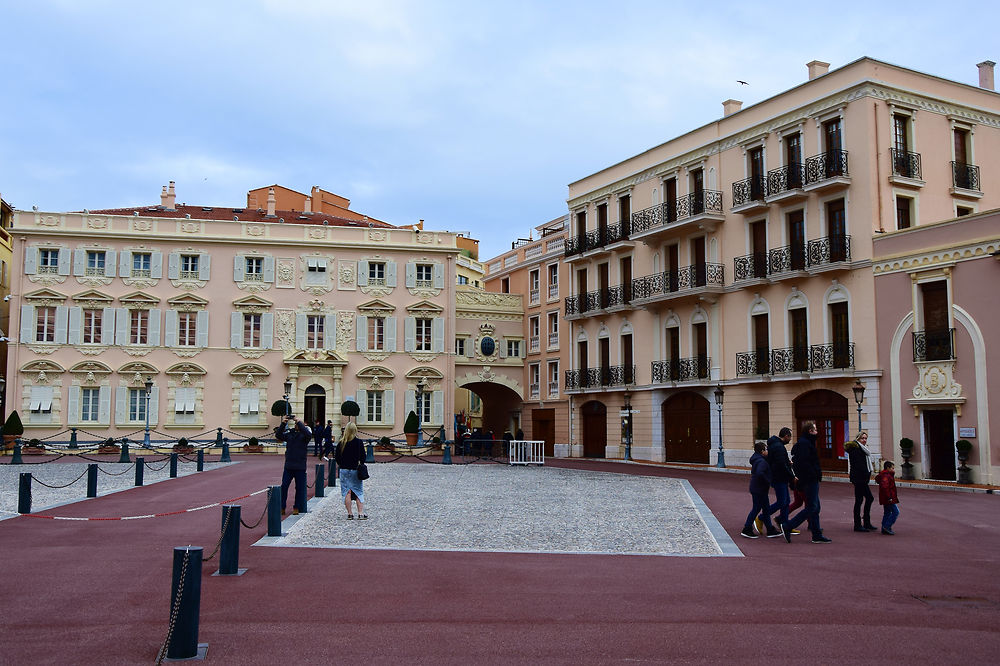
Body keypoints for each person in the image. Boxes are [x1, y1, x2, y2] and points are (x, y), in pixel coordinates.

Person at [781, 421, 831, 543]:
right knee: (812, 507)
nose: (817, 432)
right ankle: (788, 526)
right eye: (815, 430)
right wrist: (813, 474)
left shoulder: (806, 443)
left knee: (814, 507)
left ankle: (816, 533)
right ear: (810, 431)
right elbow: (804, 463)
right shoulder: (805, 444)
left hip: (808, 479)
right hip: (809, 480)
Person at [741, 441, 780, 538]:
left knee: (765, 509)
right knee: (757, 508)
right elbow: (760, 473)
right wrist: (768, 481)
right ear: (762, 451)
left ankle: (769, 528)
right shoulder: (762, 461)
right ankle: (747, 528)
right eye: (766, 449)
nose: (767, 451)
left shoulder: (757, 459)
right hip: (759, 489)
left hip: (757, 488)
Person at [275, 414, 312, 516]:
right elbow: (278, 435)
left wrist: (299, 421)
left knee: (299, 488)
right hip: (289, 466)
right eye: (296, 424)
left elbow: (308, 434)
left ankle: (296, 507)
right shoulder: (290, 435)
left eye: (297, 424)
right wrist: (283, 423)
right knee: (284, 486)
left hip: (300, 466)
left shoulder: (304, 437)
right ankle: (282, 506)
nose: (296, 425)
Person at [845, 430, 876, 532]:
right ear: (858, 439)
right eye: (862, 438)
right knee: (864, 499)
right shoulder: (855, 449)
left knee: (863, 499)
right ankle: (859, 524)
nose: (864, 440)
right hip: (859, 479)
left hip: (861, 478)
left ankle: (865, 523)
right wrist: (866, 474)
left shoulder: (863, 449)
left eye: (865, 438)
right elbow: (858, 465)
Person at [335, 422, 367, 520]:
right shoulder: (359, 442)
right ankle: (360, 513)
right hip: (355, 470)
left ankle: (350, 514)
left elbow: (337, 458)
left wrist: (342, 464)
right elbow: (363, 458)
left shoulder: (341, 443)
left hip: (344, 470)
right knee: (358, 491)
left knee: (346, 492)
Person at [765, 427, 794, 531]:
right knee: (782, 501)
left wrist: (787, 463)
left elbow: (780, 461)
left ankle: (785, 523)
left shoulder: (776, 445)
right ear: (786, 436)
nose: (790, 439)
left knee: (786, 501)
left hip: (778, 477)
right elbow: (781, 464)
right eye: (790, 437)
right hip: (779, 477)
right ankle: (762, 517)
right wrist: (791, 476)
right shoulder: (779, 447)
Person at [875, 461, 900, 535]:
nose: (893, 470)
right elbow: (885, 487)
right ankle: (887, 526)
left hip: (885, 497)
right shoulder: (886, 476)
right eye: (892, 468)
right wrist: (889, 497)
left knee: (887, 512)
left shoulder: (886, 475)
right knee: (896, 512)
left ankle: (884, 528)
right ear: (888, 468)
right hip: (888, 498)